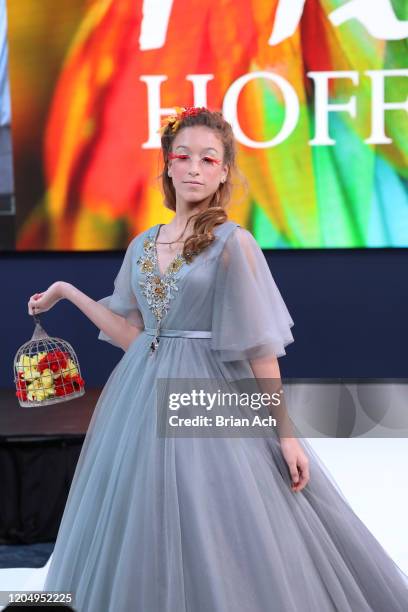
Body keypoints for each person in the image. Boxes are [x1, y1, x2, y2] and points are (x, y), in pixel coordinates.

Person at [26, 107, 408, 611]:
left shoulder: (234, 243)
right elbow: (131, 336)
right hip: (140, 394)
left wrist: (285, 433)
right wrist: (67, 291)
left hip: (208, 393)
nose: (194, 168)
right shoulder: (143, 245)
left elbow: (260, 349)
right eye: (183, 156)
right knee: (145, 518)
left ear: (224, 171)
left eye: (209, 159)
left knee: (219, 517)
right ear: (167, 165)